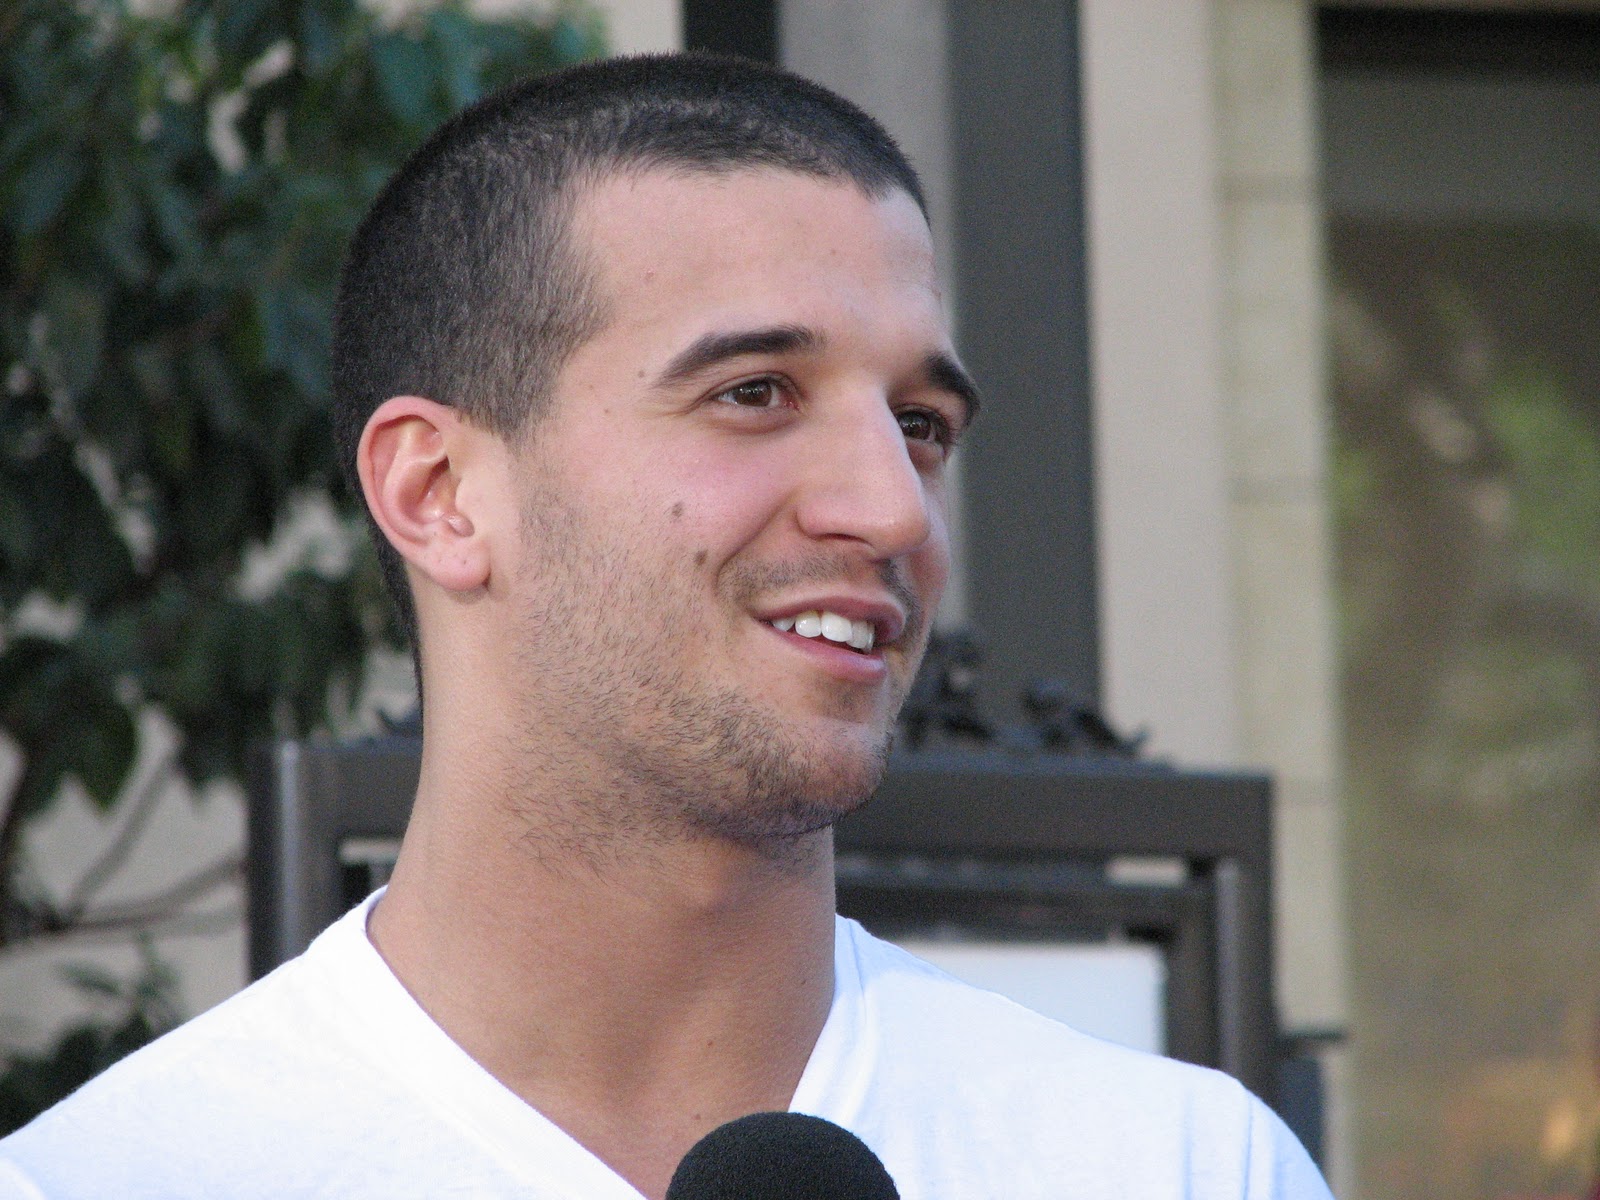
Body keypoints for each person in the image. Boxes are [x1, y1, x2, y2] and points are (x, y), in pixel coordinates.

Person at [0, 53, 1334, 1200]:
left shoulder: (1171, 1166)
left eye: (920, 425)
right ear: (440, 493)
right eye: (755, 393)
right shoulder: (113, 1180)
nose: (892, 510)